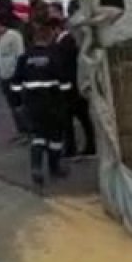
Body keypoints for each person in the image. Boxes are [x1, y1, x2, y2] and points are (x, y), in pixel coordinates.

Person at [11, 22, 71, 189]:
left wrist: (18, 103)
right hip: (53, 104)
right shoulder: (54, 55)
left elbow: (15, 84)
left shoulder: (24, 57)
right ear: (49, 37)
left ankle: (36, 168)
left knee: (38, 136)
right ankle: (54, 167)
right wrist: (66, 100)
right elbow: (64, 83)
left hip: (32, 105)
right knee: (55, 138)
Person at [52, 8, 94, 159]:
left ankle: (75, 148)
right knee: (79, 118)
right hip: (72, 86)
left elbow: (66, 66)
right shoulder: (65, 42)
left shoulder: (66, 43)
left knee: (74, 118)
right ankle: (82, 147)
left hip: (71, 87)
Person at [0, 16, 29, 140]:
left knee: (21, 105)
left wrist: (19, 76)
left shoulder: (13, 36)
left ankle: (29, 131)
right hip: (4, 77)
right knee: (13, 106)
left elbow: (20, 56)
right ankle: (20, 130)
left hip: (15, 77)